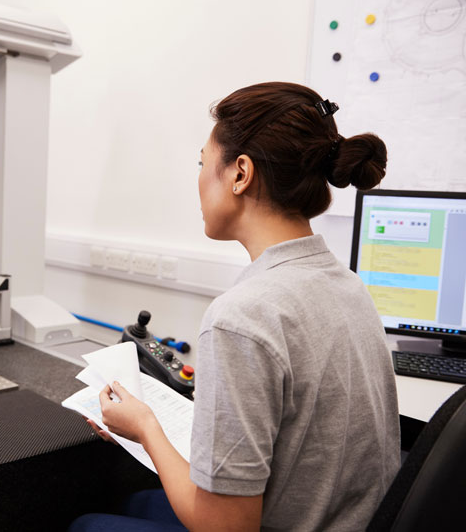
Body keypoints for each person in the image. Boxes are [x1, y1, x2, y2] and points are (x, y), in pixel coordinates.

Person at [70, 82, 400, 531]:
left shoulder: (242, 317)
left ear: (240, 173)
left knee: (87, 524)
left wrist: (145, 428)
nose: (200, 177)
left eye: (203, 163)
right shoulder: (348, 286)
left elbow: (225, 527)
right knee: (135, 504)